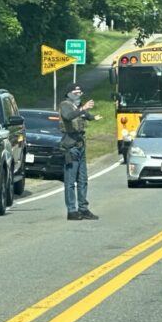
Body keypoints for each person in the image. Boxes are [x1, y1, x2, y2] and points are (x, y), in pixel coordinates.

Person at [59, 82, 102, 220]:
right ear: (69, 93)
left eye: (80, 93)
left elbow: (85, 115)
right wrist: (83, 108)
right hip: (70, 146)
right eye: (76, 93)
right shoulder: (65, 105)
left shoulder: (77, 106)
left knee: (83, 179)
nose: (78, 95)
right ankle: (71, 211)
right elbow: (68, 116)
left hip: (80, 145)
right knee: (70, 181)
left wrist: (93, 117)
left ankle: (83, 209)